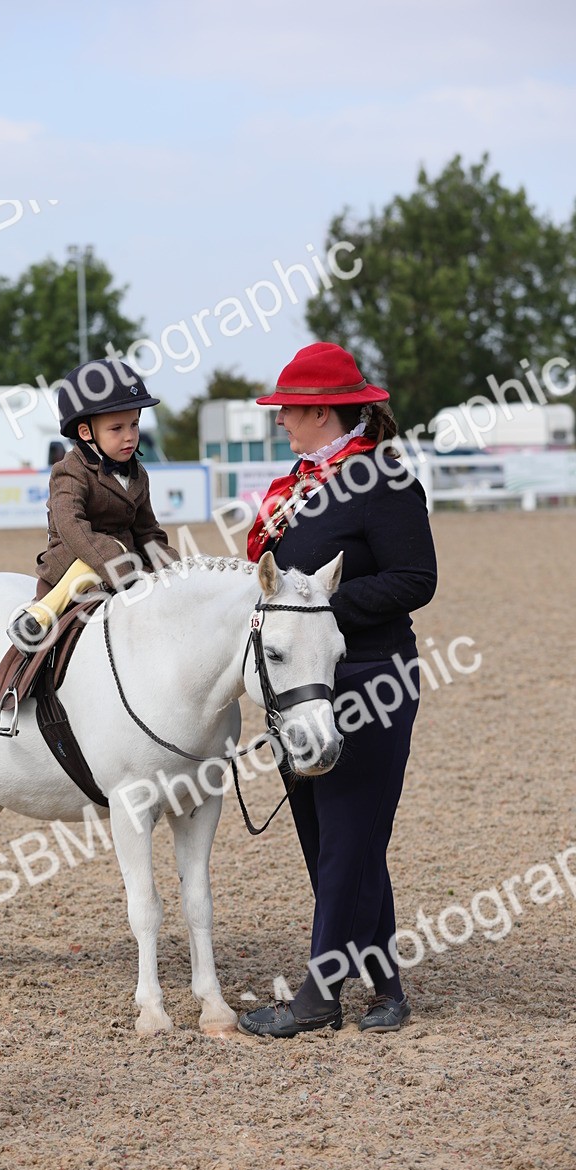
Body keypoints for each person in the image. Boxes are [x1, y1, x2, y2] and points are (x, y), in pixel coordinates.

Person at [238, 342, 437, 1038]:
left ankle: (319, 997)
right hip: (301, 686)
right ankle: (388, 990)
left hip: (370, 677)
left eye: (288, 410)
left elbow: (416, 579)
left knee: (348, 839)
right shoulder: (297, 487)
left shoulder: (384, 481)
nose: (280, 420)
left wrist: (323, 611)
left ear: (321, 411)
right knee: (334, 840)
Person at [7, 358, 179, 651]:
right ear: (86, 432)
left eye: (134, 424)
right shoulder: (69, 470)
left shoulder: (138, 474)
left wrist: (174, 568)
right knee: (95, 559)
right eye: (117, 428)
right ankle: (37, 618)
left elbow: (147, 531)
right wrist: (117, 563)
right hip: (74, 566)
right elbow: (71, 526)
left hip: (128, 566)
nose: (130, 436)